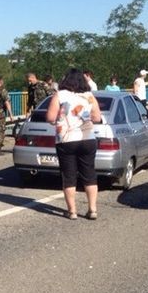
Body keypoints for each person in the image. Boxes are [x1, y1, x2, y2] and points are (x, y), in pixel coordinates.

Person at [46, 68, 101, 220]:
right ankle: (92, 209)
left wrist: (60, 119)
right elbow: (97, 117)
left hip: (66, 139)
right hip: (87, 138)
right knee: (89, 173)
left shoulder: (60, 95)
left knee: (69, 175)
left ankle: (72, 211)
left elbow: (50, 117)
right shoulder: (89, 96)